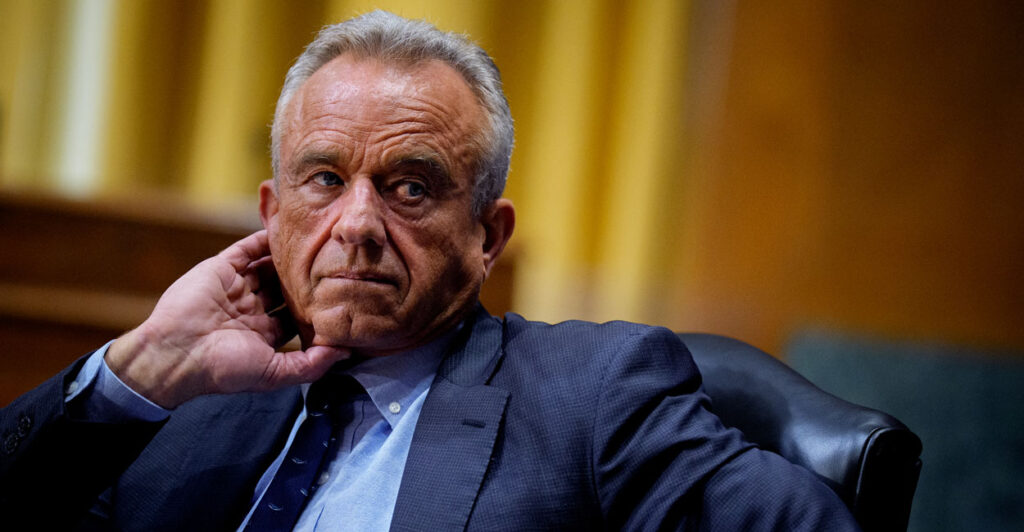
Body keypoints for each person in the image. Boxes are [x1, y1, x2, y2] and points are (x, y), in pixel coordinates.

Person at [0, 10, 858, 531]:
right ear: (272, 213)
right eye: (324, 179)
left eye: (410, 187)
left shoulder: (592, 397)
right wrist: (141, 368)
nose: (357, 225)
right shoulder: (189, 399)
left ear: (488, 236)